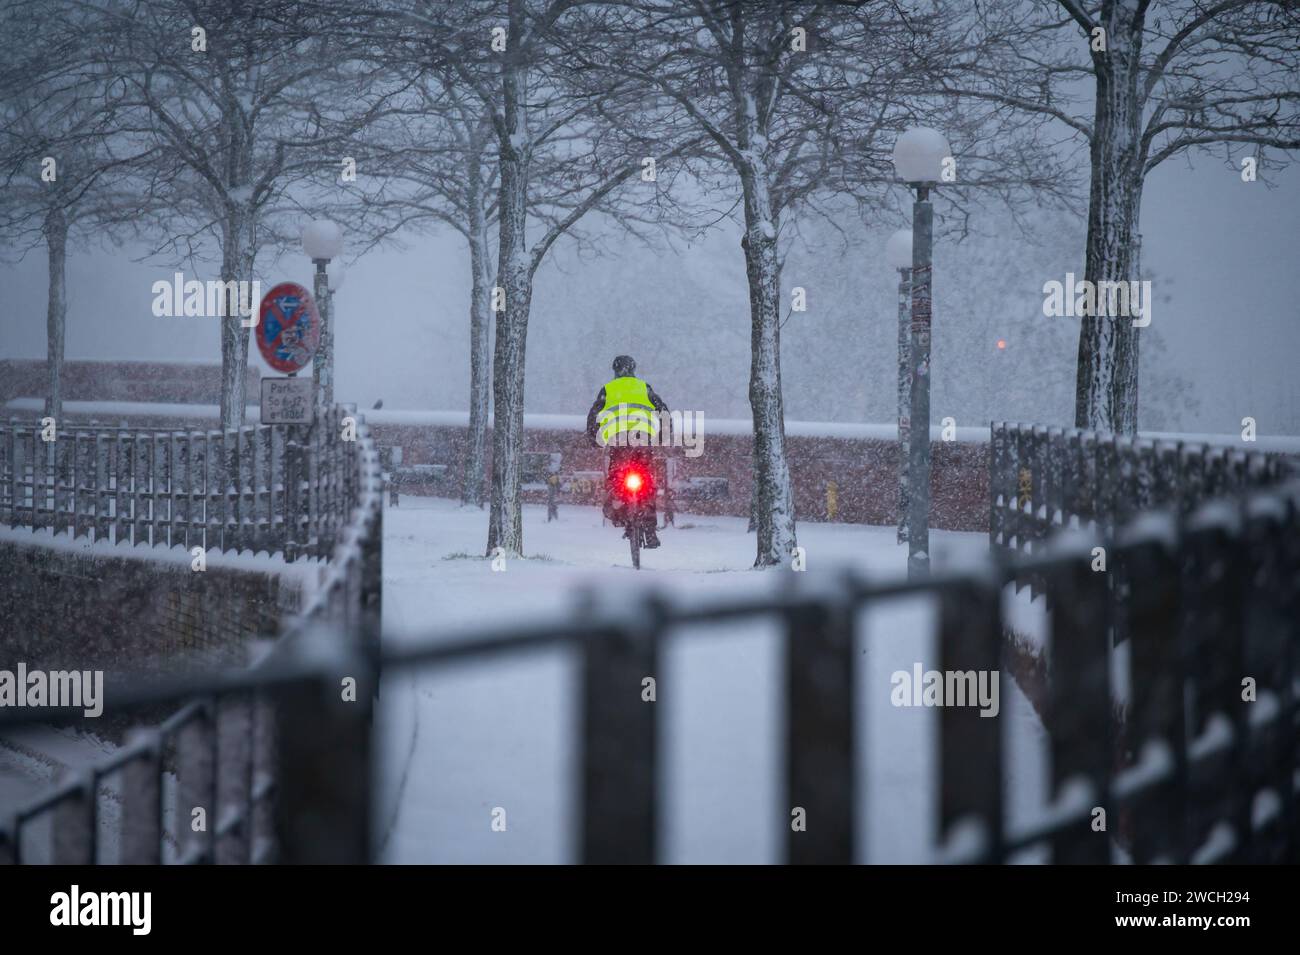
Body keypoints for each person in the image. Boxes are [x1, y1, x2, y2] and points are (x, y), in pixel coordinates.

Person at [586, 355, 669, 549]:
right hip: (642, 441)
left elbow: (594, 415)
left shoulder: (608, 389)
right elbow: (662, 409)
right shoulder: (644, 387)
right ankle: (649, 530)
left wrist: (593, 437)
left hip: (618, 442)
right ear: (633, 369)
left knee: (616, 479)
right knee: (647, 483)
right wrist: (665, 432)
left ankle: (622, 514)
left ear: (615, 371)